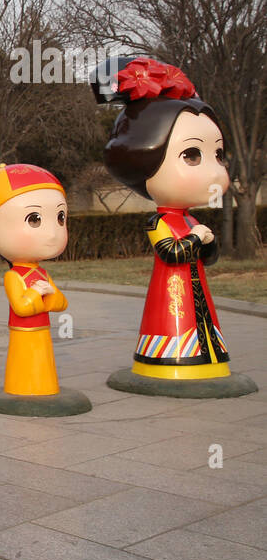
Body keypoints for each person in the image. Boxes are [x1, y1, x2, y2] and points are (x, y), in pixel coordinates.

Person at [98, 56, 233, 383]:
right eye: (191, 155)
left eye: (217, 155)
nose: (215, 170)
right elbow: (170, 254)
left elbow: (206, 259)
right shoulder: (158, 223)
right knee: (172, 321)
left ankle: (208, 355)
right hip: (170, 297)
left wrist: (208, 245)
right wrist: (197, 239)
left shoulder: (189, 220)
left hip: (196, 296)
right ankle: (167, 355)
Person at [0, 163, 70, 396]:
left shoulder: (42, 274)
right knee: (25, 363)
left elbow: (61, 304)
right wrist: (38, 293)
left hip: (41, 329)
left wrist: (49, 294)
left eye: (60, 217)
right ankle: (22, 389)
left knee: (43, 362)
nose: (53, 233)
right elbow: (22, 307)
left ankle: (44, 388)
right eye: (34, 219)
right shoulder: (13, 276)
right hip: (22, 331)